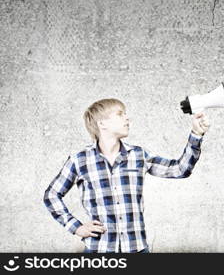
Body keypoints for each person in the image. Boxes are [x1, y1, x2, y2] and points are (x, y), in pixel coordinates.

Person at [43, 98, 210, 253]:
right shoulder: (79, 160)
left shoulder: (139, 155)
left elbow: (180, 170)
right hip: (98, 250)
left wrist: (196, 134)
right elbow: (51, 195)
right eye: (120, 114)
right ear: (102, 123)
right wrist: (76, 227)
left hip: (137, 249)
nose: (128, 119)